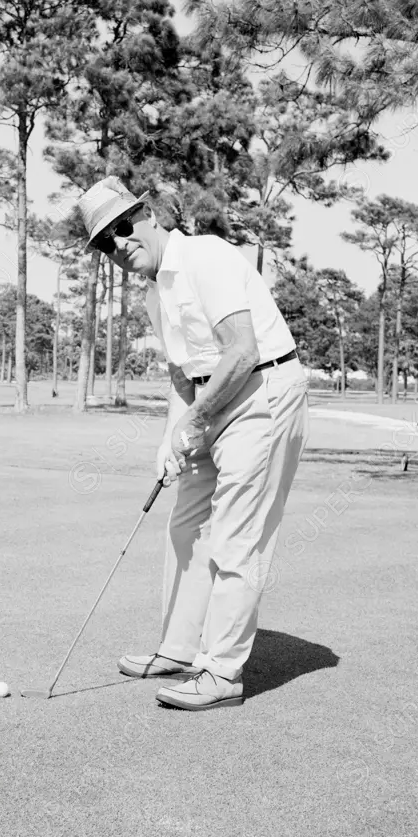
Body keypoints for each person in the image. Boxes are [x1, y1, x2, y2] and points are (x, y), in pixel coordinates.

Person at [78, 176, 309, 711]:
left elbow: (242, 351)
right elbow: (185, 378)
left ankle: (222, 672)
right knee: (185, 526)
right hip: (213, 398)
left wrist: (195, 421)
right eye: (104, 243)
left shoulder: (206, 256)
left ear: (151, 215)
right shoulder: (156, 296)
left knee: (237, 536)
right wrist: (171, 439)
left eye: (122, 227)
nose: (117, 245)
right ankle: (179, 650)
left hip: (263, 391)